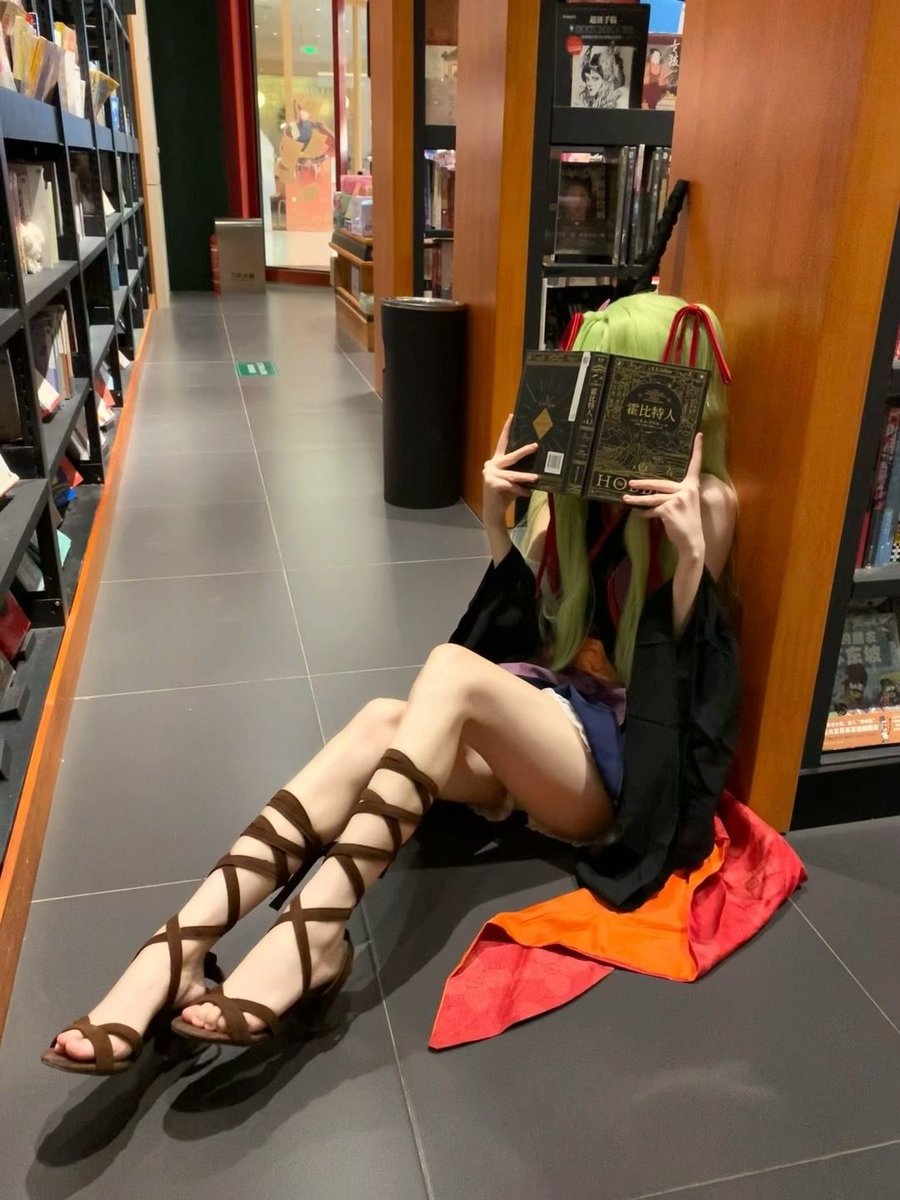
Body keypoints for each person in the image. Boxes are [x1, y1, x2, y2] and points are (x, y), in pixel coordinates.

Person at [41, 292, 738, 1074]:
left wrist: (687, 558)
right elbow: (540, 629)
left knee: (451, 672)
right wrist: (501, 520)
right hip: (549, 722)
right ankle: (178, 948)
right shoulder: (577, 501)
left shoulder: (706, 505)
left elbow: (684, 685)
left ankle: (312, 932)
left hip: (614, 766)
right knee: (380, 718)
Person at [577, 45, 629, 109]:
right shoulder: (590, 100)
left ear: (606, 80)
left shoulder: (619, 100)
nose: (589, 83)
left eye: (595, 79)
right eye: (587, 78)